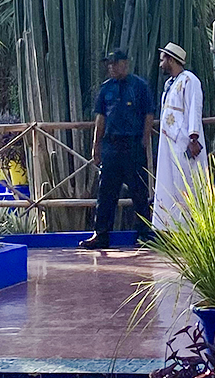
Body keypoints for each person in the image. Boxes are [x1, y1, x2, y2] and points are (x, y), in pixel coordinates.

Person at [79, 50, 156, 250]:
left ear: (124, 63)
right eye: (109, 64)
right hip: (111, 146)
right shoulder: (106, 89)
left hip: (132, 145)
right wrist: (96, 146)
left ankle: (145, 234)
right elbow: (101, 118)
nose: (111, 67)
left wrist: (144, 140)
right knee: (105, 193)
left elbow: (149, 114)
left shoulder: (139, 86)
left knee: (139, 192)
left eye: (114, 63)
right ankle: (101, 234)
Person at [151, 42, 206, 231]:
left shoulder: (190, 80)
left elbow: (194, 107)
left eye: (162, 60)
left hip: (184, 141)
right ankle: (171, 227)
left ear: (171, 59)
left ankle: (192, 226)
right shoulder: (169, 84)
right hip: (168, 141)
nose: (160, 64)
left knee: (187, 182)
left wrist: (193, 136)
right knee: (170, 183)